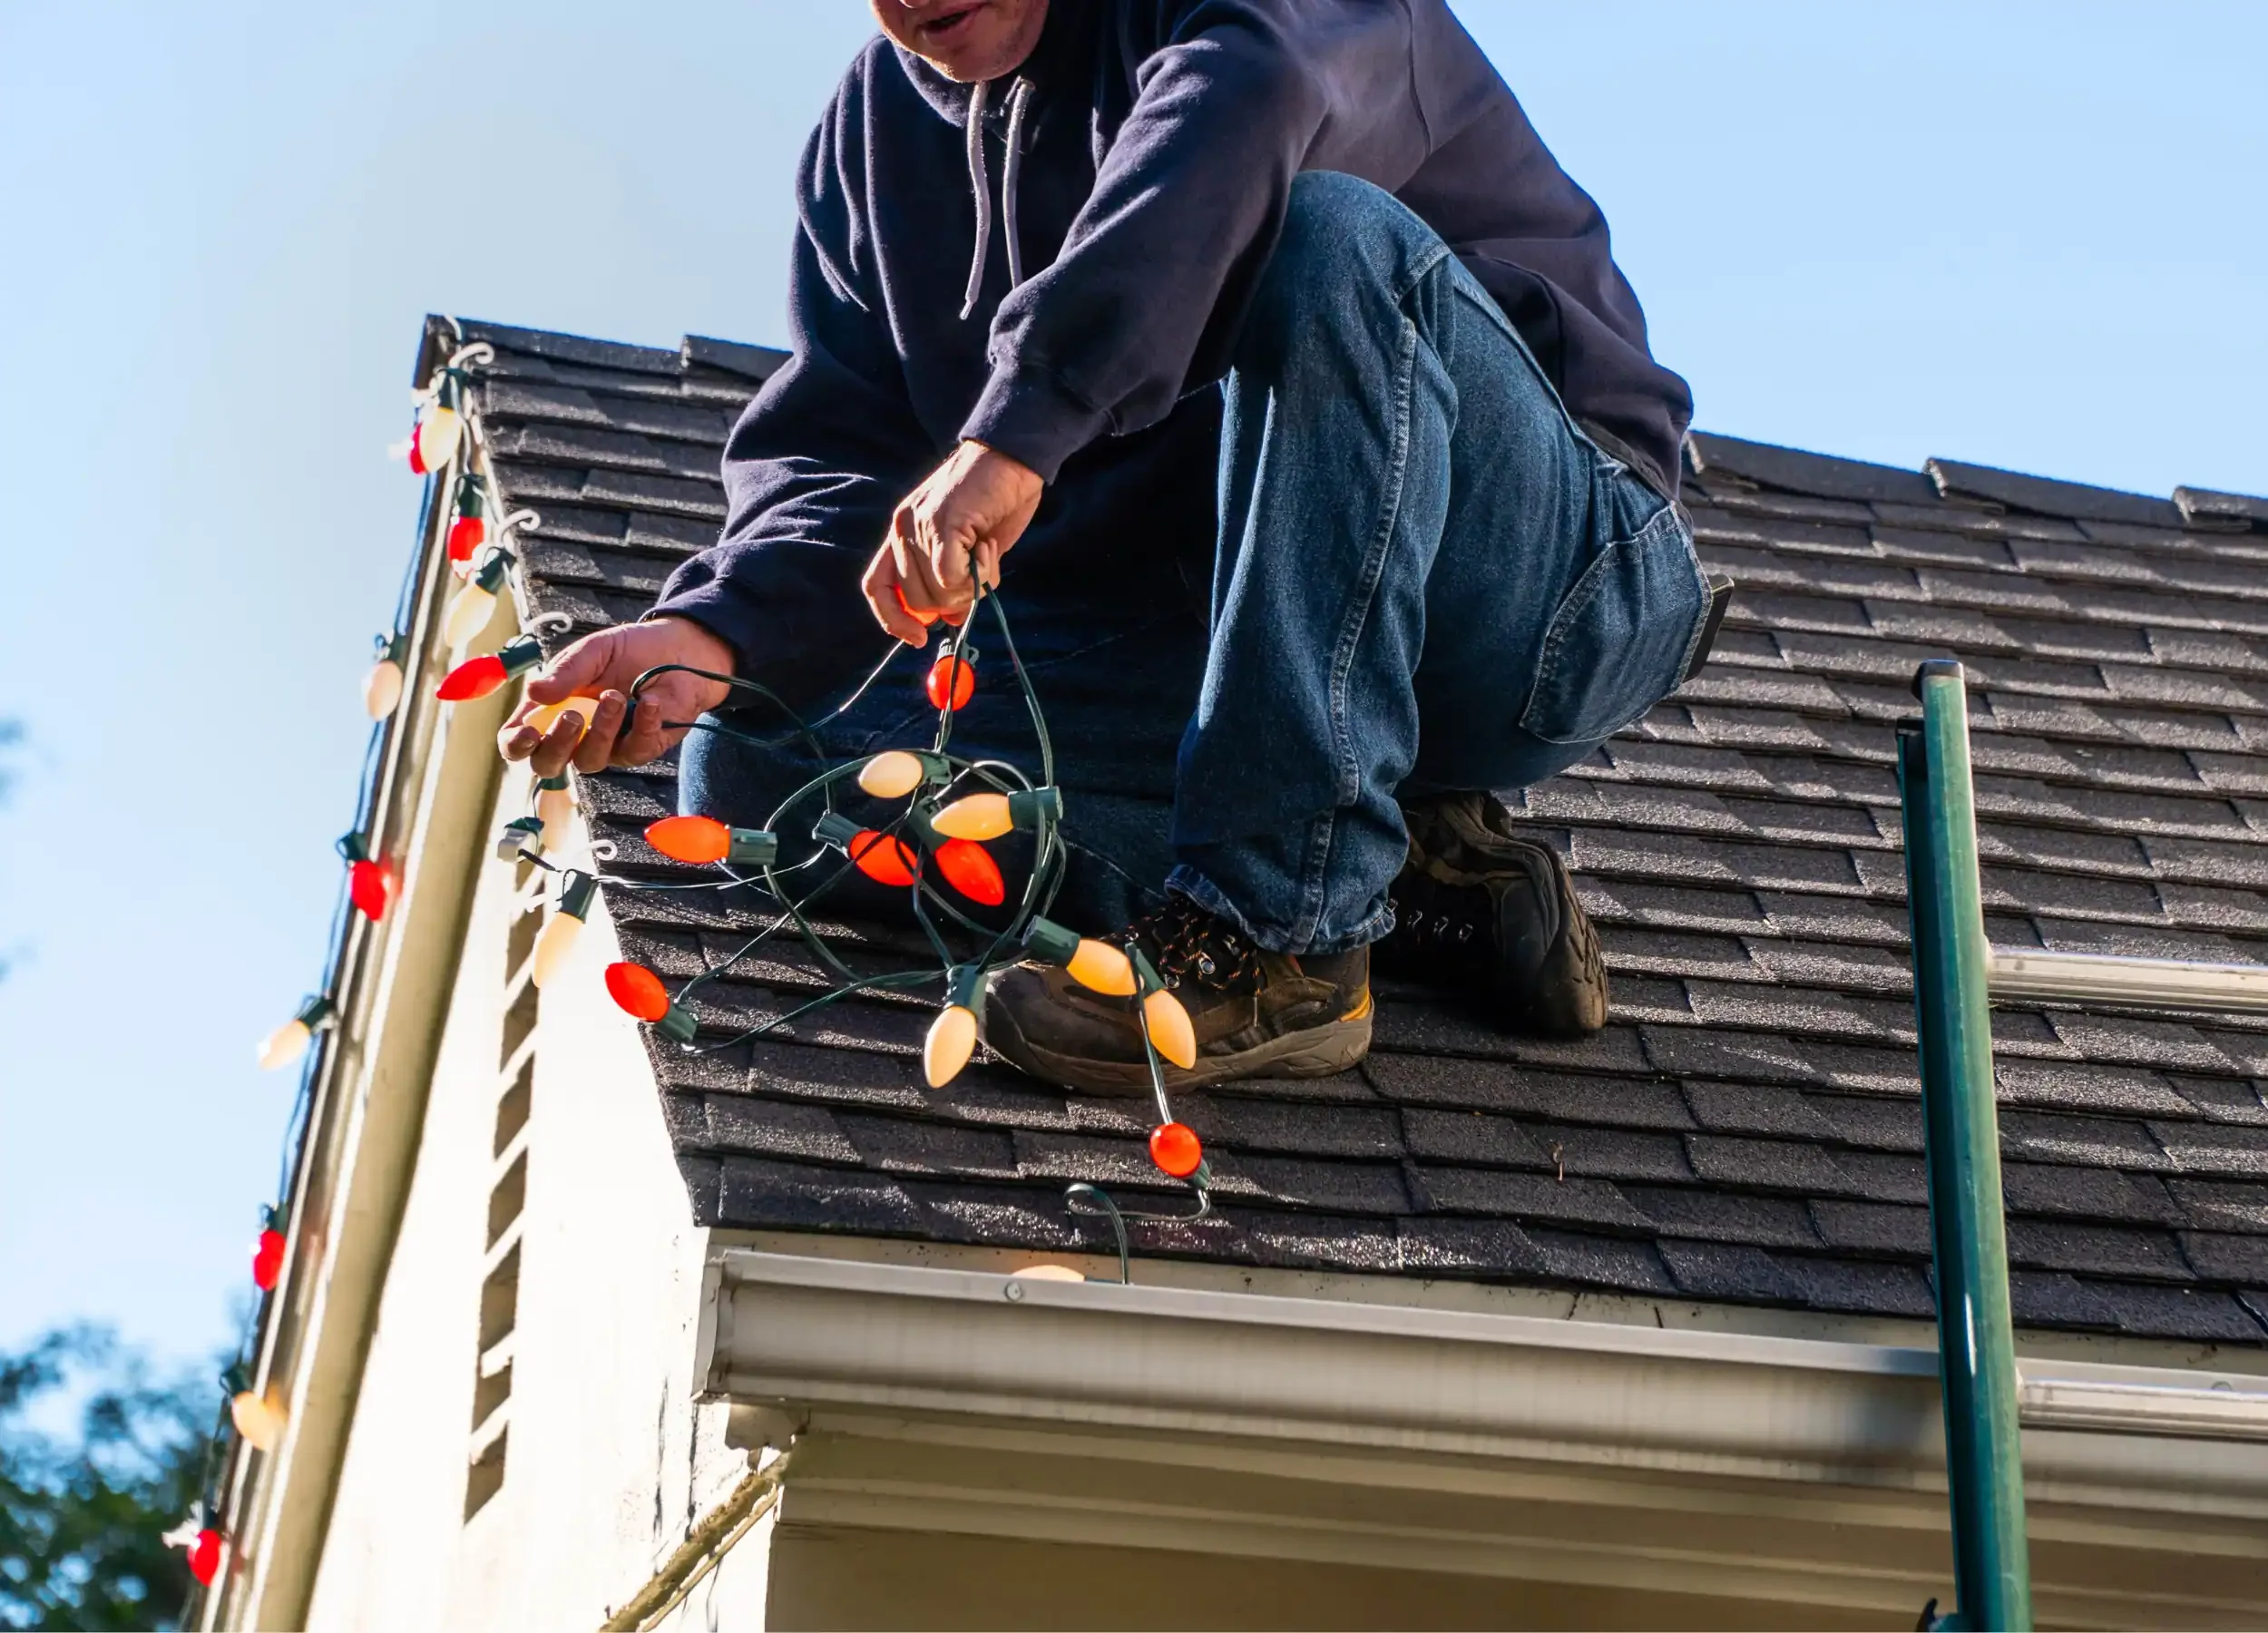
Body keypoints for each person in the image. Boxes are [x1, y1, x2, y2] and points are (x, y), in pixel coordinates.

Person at [498, 0, 1716, 1093]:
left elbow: (1249, 94)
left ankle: (1282, 930)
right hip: (1228, 636)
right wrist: (713, 632)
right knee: (759, 770)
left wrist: (1022, 426)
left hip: (1546, 581)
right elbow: (844, 455)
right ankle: (1371, 872)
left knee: (1332, 239)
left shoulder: (1251, 20)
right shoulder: (869, 140)